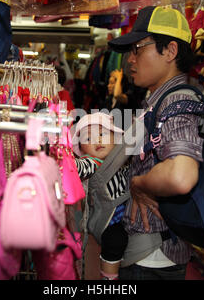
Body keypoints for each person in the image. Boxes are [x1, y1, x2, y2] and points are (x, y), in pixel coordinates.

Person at [107, 6, 202, 280]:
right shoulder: (160, 100)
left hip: (153, 258)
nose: (130, 60)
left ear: (170, 51)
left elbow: (181, 175)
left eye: (138, 49)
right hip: (149, 253)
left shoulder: (176, 101)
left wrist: (139, 184)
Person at [72, 112, 129, 280]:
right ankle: (108, 276)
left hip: (123, 215)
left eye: (103, 134)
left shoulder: (121, 160)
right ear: (81, 148)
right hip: (108, 220)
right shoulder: (93, 163)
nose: (97, 141)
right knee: (115, 240)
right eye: (88, 139)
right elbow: (79, 168)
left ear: (115, 139)